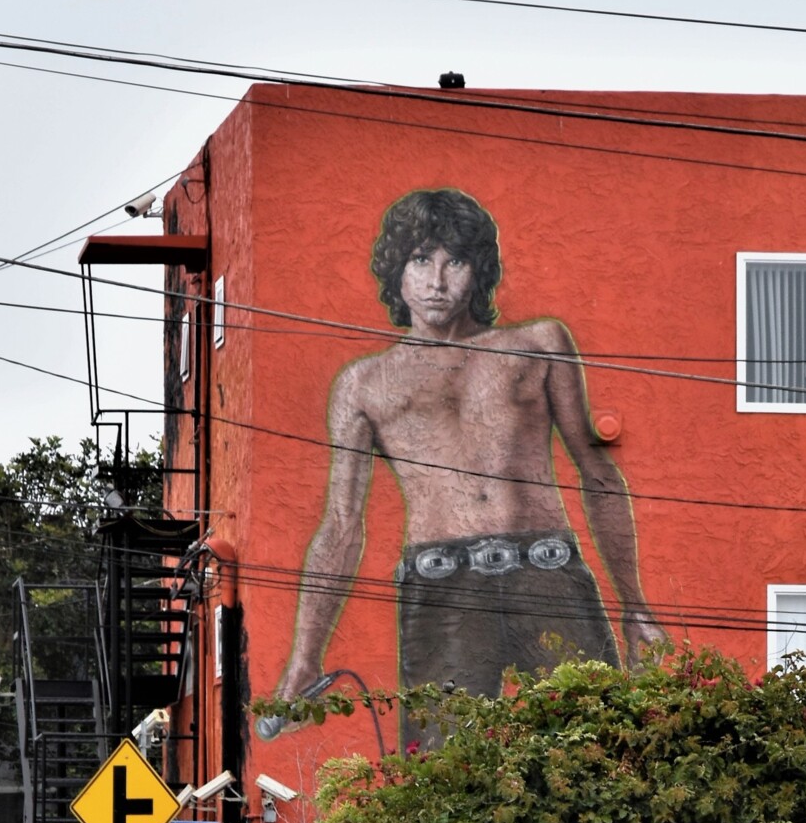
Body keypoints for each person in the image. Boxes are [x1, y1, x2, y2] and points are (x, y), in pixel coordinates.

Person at [269, 188, 662, 742]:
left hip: (546, 573)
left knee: (600, 750)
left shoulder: (540, 344)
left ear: (477, 271)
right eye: (420, 260)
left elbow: (596, 473)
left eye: (455, 260)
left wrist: (635, 605)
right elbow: (340, 526)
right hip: (442, 588)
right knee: (444, 775)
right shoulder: (364, 384)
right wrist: (304, 657)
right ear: (397, 272)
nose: (436, 280)